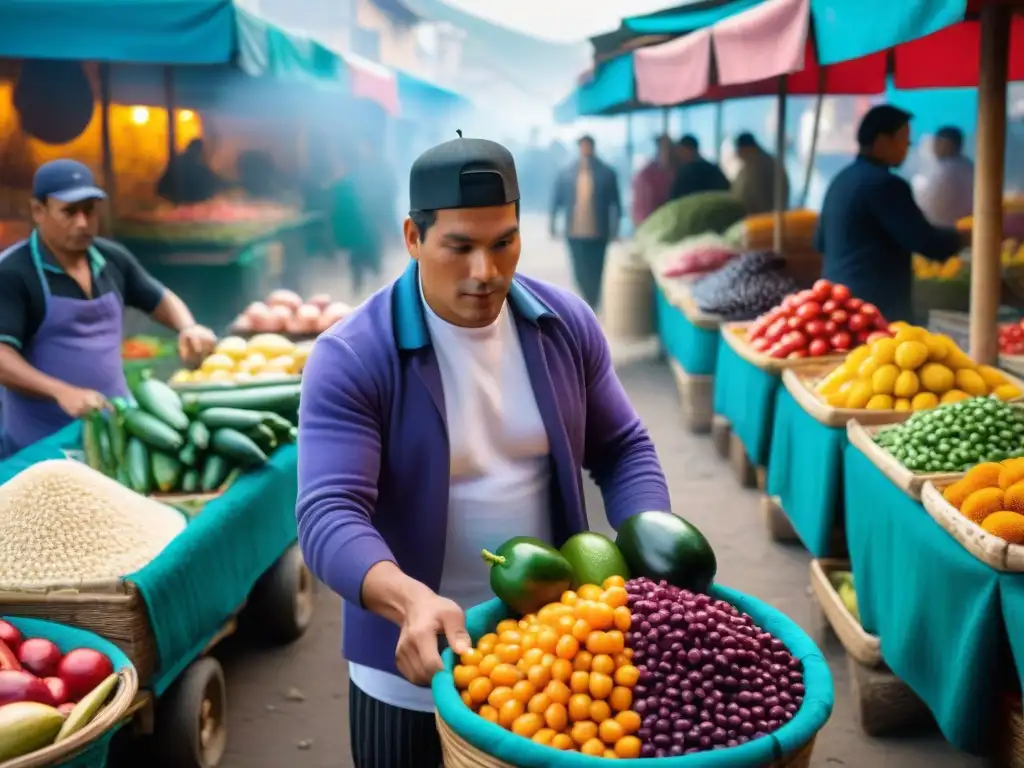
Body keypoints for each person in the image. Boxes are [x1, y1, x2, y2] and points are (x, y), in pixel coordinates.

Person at [297, 134, 670, 768]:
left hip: (559, 665)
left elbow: (623, 447)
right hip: (411, 667)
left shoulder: (564, 325)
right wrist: (409, 600)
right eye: (459, 247)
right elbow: (329, 514)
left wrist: (656, 549)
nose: (485, 272)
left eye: (503, 243)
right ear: (414, 239)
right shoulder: (353, 357)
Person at [0, 160, 217, 457]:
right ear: (38, 210)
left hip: (118, 428)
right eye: (69, 212)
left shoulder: (111, 258)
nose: (82, 223)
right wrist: (61, 391)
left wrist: (188, 327)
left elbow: (159, 297)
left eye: (89, 210)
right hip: (42, 443)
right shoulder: (14, 272)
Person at [814, 106, 966, 322]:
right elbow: (925, 242)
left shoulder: (840, 180)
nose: (908, 146)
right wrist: (964, 236)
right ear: (882, 141)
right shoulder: (886, 185)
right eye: (904, 140)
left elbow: (819, 242)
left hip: (835, 305)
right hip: (873, 311)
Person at [549, 134, 622, 309]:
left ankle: (593, 302)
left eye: (588, 145)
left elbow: (616, 204)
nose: (585, 149)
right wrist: (552, 225)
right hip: (575, 231)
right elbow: (556, 201)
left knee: (596, 269)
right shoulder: (567, 173)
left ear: (593, 147)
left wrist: (615, 229)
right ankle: (586, 300)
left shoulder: (606, 173)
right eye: (582, 146)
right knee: (579, 270)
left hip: (598, 231)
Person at [914, 126, 974, 227]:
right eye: (937, 143)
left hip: (949, 229)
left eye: (942, 144)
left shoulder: (948, 169)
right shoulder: (968, 166)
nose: (938, 148)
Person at [156, 138, 228, 205]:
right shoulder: (195, 166)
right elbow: (212, 181)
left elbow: (161, 188)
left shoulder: (179, 162)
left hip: (181, 207)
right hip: (186, 207)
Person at [731, 132, 788, 215]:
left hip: (761, 220)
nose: (738, 155)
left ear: (745, 148)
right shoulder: (770, 162)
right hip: (772, 218)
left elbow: (746, 195)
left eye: (739, 151)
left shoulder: (755, 166)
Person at [668, 134, 730, 202]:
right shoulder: (713, 169)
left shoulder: (687, 172)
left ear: (687, 150)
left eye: (680, 150)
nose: (678, 154)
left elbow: (676, 198)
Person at [631, 134, 675, 226]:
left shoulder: (675, 171)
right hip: (652, 224)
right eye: (665, 149)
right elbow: (641, 210)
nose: (668, 153)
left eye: (670, 149)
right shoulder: (646, 175)